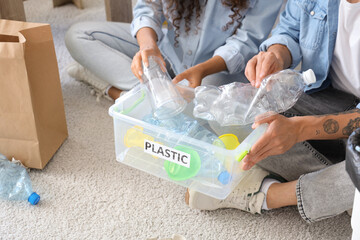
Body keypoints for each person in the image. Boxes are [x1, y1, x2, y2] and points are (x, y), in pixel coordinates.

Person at [186, 0, 360, 223]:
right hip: (328, 99)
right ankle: (343, 188)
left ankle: (267, 194)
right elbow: (290, 29)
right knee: (228, 111)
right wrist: (276, 56)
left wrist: (300, 130)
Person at [65, 0, 282, 101]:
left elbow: (247, 41)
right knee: (78, 35)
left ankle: (119, 94)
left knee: (212, 108)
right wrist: (148, 47)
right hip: (167, 53)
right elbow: (148, 7)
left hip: (216, 71)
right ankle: (163, 96)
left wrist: (202, 70)